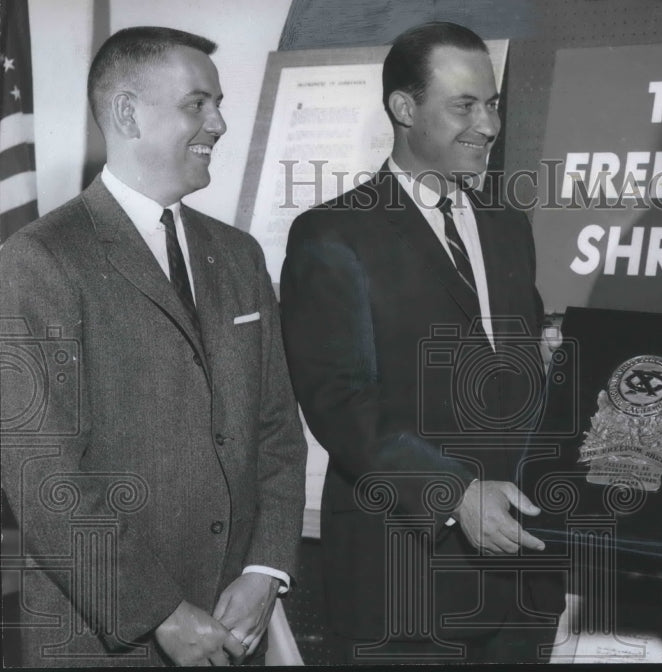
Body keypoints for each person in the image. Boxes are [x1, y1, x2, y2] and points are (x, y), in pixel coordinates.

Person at [0, 27, 307, 666]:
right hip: (105, 639)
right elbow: (41, 475)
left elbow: (276, 431)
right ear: (127, 113)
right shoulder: (40, 260)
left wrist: (265, 569)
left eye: (218, 103)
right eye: (198, 104)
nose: (219, 123)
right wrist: (158, 613)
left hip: (237, 622)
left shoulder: (239, 256)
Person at [281, 21, 562, 664]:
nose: (488, 125)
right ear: (403, 109)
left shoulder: (508, 225)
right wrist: (455, 493)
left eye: (492, 104)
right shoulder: (332, 234)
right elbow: (338, 401)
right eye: (464, 105)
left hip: (521, 580)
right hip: (403, 583)